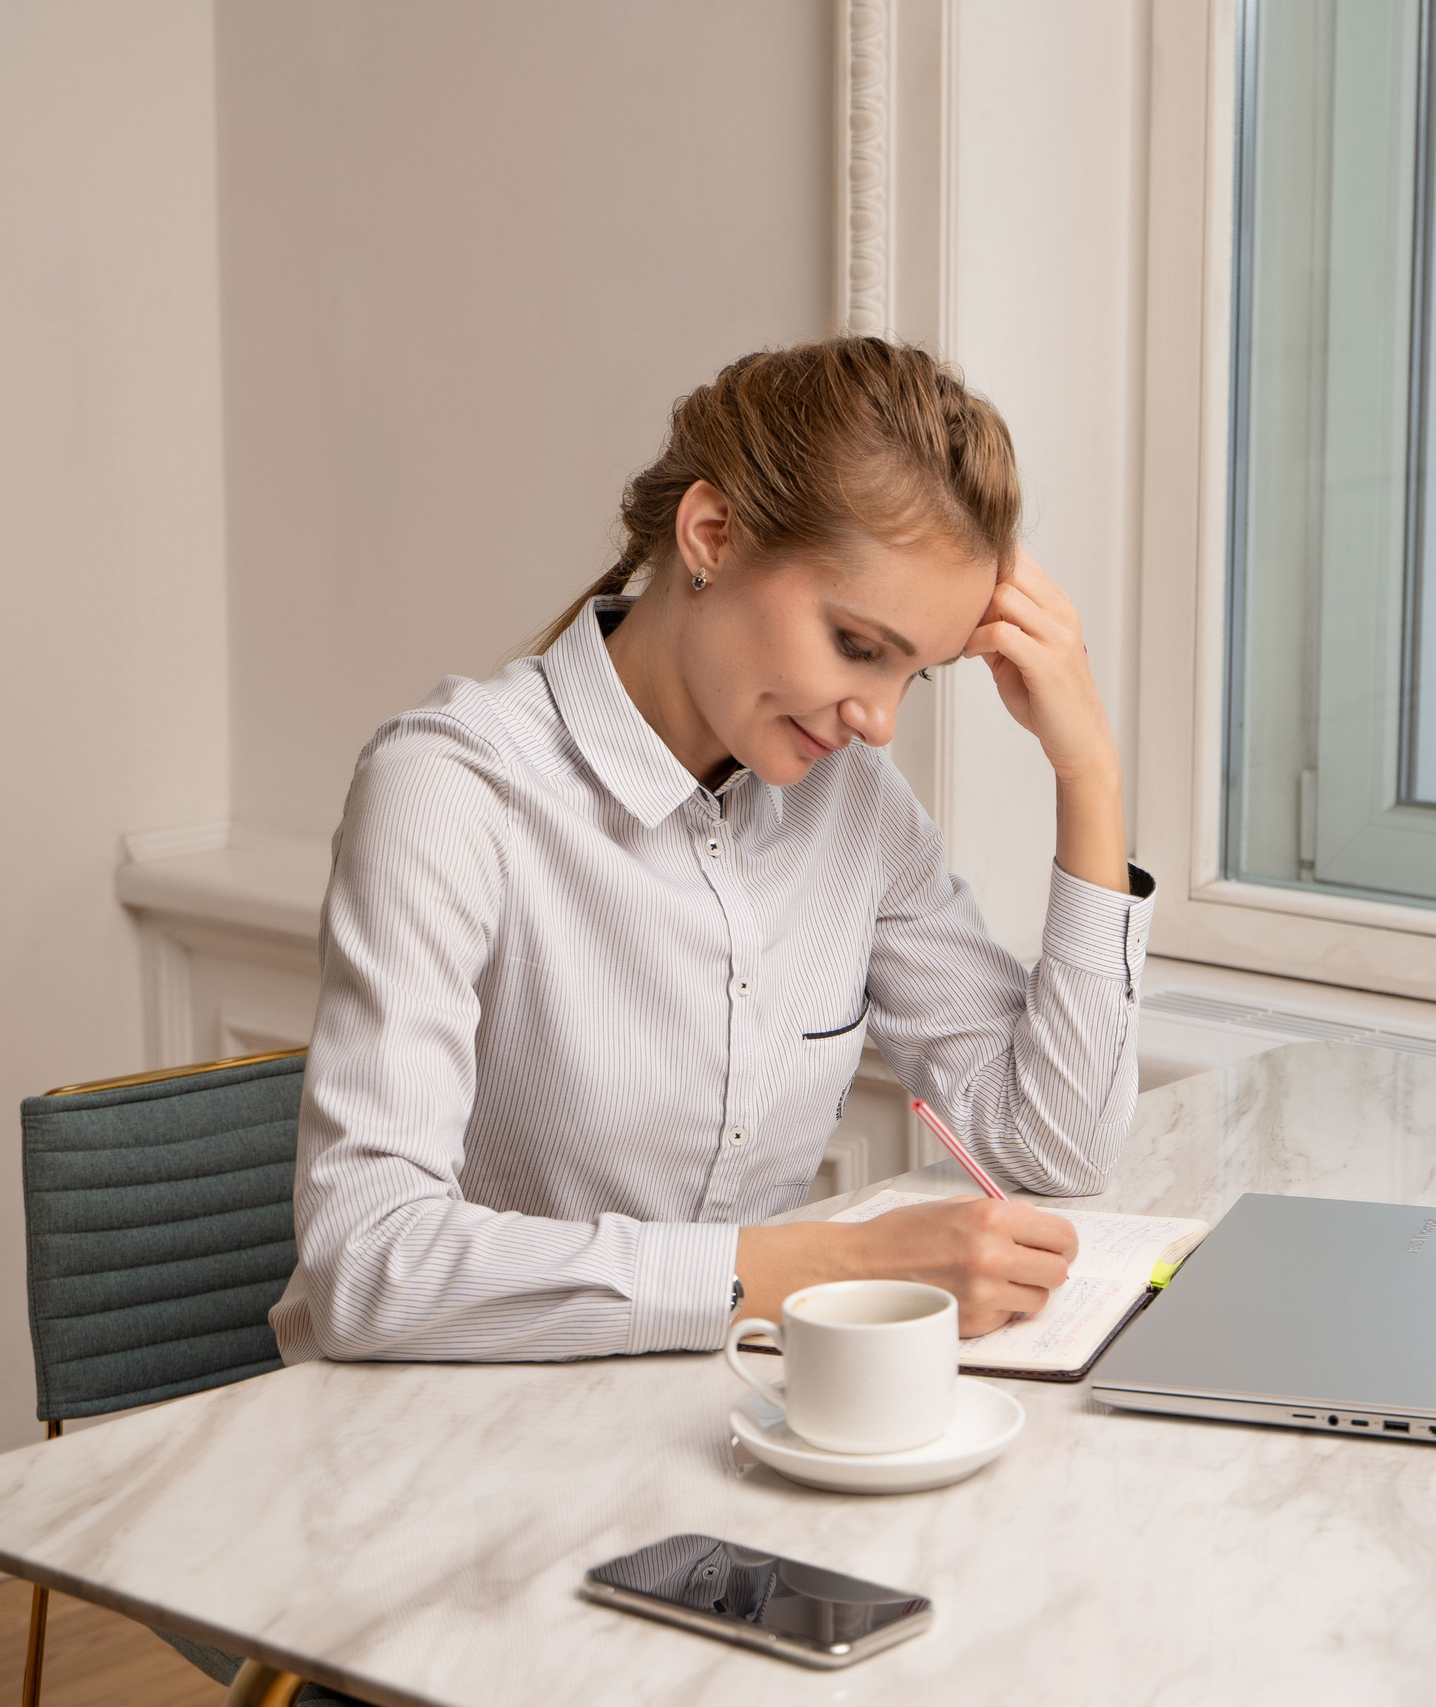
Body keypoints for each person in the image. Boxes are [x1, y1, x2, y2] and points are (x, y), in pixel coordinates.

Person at [268, 336, 1151, 1363]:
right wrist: (827, 1271)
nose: (877, 720)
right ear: (712, 535)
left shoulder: (853, 807)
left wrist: (1087, 772)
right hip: (427, 1453)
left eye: (916, 673)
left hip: (700, 1430)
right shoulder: (452, 790)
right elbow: (370, 1264)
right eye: (858, 646)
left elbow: (1054, 1146)